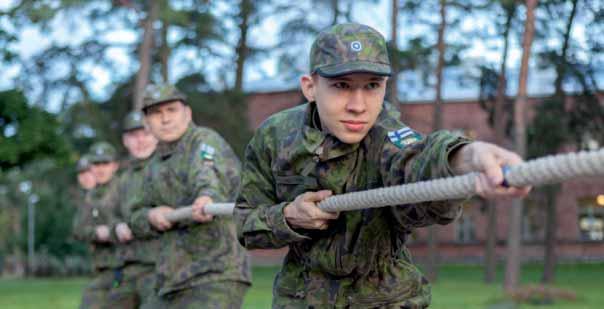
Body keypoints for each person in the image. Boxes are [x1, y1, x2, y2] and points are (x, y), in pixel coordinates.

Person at [234, 23, 531, 308]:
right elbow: (244, 223)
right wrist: (289, 216)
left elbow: (416, 160)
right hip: (301, 298)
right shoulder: (275, 136)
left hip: (385, 299)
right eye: (341, 86)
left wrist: (465, 157)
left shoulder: (388, 134)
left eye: (372, 86)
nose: (359, 106)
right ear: (310, 87)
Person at [129, 84, 251, 308]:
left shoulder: (203, 141)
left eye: (171, 110)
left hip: (215, 273)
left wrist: (207, 198)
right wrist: (151, 216)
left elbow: (208, 177)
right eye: (156, 113)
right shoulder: (153, 165)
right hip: (170, 281)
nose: (165, 119)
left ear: (187, 113)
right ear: (147, 123)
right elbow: (135, 215)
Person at [104, 111, 160, 308]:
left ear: (156, 135)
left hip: (161, 266)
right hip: (129, 267)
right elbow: (110, 216)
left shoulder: (167, 168)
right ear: (125, 141)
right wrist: (117, 226)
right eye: (133, 136)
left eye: (145, 134)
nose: (140, 140)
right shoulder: (123, 180)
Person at [73, 142, 123, 309]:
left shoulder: (125, 187)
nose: (100, 169)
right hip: (103, 266)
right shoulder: (92, 196)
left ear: (115, 165)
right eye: (96, 164)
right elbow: (79, 230)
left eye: (105, 163)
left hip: (127, 265)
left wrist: (112, 231)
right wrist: (96, 232)